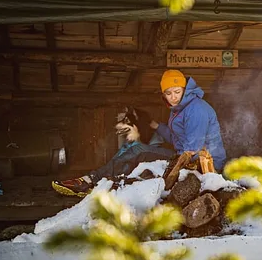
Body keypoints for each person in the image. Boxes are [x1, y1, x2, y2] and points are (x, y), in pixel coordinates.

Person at [52, 70, 227, 197]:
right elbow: (177, 139)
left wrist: (172, 166)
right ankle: (100, 182)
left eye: (177, 92)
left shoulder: (195, 109)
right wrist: (154, 125)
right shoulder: (179, 108)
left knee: (138, 151)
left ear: (185, 89)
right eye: (168, 93)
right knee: (135, 150)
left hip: (202, 165)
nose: (173, 97)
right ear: (163, 94)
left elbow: (192, 148)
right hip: (185, 157)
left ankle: (92, 180)